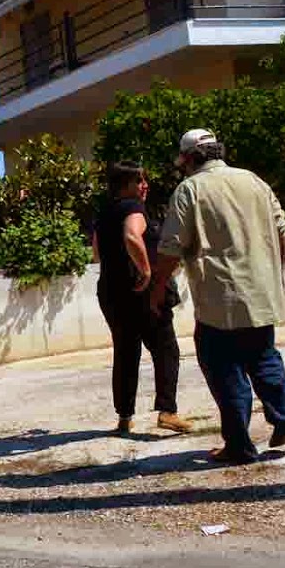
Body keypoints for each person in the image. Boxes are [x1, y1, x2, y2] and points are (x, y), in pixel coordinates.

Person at [148, 129, 285, 464]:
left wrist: (158, 287)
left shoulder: (190, 190)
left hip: (220, 297)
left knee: (223, 368)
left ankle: (239, 445)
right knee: (263, 356)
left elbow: (172, 245)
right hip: (260, 291)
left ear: (189, 159)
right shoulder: (254, 181)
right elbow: (281, 233)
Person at [92, 162, 191, 436]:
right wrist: (146, 270)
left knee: (126, 352)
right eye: (139, 181)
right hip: (142, 294)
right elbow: (131, 236)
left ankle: (125, 417)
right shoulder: (133, 209)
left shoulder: (105, 212)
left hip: (112, 293)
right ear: (125, 186)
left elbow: (97, 253)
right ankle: (167, 412)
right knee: (166, 350)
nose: (145, 185)